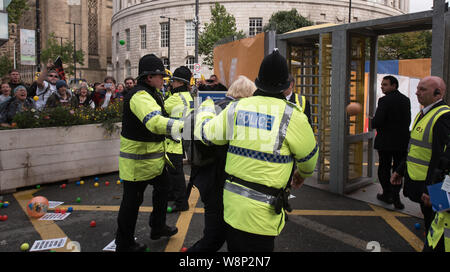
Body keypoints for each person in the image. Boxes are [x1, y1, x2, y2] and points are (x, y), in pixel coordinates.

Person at [194, 49, 319, 252]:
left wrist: (206, 109)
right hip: (264, 213)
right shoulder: (293, 116)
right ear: (287, 85)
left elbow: (207, 135)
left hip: (233, 207)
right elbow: (309, 159)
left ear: (258, 81)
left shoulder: (236, 109)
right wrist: (301, 174)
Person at [115, 54, 183, 252]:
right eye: (160, 75)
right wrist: (183, 126)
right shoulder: (140, 96)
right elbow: (154, 122)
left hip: (153, 162)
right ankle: (124, 243)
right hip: (136, 164)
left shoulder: (153, 93)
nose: (164, 79)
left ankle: (158, 227)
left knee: (164, 189)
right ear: (148, 77)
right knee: (131, 204)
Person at [187, 75, 256, 252]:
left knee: (218, 232)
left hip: (206, 175)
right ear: (248, 95)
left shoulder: (216, 106)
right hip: (220, 180)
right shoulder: (235, 112)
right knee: (216, 236)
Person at [391, 76, 450, 235]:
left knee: (439, 222)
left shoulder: (443, 116)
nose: (417, 93)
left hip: (431, 184)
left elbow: (442, 159)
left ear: (438, 94)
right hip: (418, 178)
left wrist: (432, 189)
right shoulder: (424, 113)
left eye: (422, 89)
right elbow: (415, 148)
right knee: (429, 217)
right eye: (417, 88)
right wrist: (400, 170)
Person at [371, 75, 411, 210]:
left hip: (385, 142)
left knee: (384, 168)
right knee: (398, 170)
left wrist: (373, 120)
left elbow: (377, 122)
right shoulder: (406, 100)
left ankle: (387, 194)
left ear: (394, 85)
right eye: (382, 84)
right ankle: (396, 197)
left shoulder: (384, 101)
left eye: (385, 84)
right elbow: (407, 121)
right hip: (401, 142)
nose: (382, 86)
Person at [164, 66, 194, 212]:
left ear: (180, 83)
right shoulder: (189, 96)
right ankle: (172, 194)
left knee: (175, 172)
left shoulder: (175, 98)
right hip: (185, 137)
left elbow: (162, 111)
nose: (172, 83)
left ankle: (181, 202)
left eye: (174, 81)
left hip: (174, 140)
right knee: (176, 171)